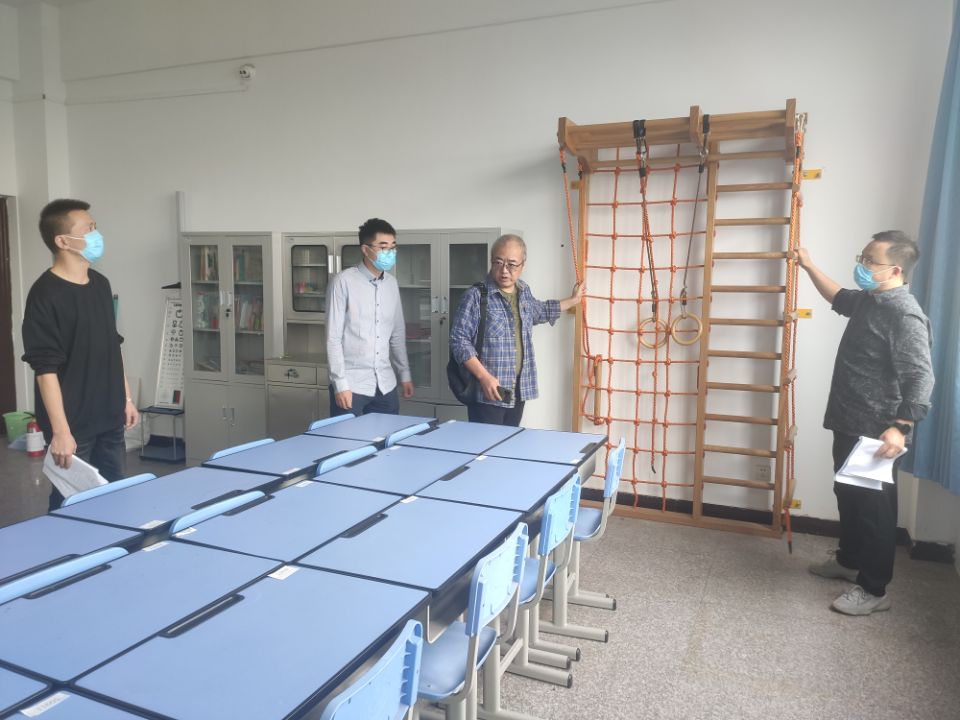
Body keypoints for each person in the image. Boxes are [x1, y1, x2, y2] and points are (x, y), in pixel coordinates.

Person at [799, 231, 933, 616]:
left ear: (895, 270)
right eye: (863, 256)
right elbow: (839, 297)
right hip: (848, 419)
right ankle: (849, 560)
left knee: (874, 511)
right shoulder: (870, 300)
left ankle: (874, 589)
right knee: (849, 496)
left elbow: (920, 376)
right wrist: (808, 265)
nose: (861, 264)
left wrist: (901, 427)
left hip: (877, 431)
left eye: (870, 260)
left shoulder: (903, 314)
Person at [21, 199, 139, 510]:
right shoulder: (44, 294)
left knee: (116, 495)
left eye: (95, 227)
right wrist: (60, 431)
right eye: (88, 229)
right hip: (73, 422)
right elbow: (45, 370)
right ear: (63, 241)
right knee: (71, 503)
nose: (96, 235)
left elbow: (113, 344)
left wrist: (126, 398)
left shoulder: (100, 284)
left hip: (109, 414)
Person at [449, 233, 583, 426]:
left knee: (510, 442)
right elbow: (459, 341)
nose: (504, 270)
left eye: (512, 264)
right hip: (488, 392)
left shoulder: (523, 291)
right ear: (491, 262)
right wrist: (484, 377)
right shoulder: (475, 296)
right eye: (498, 263)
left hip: (518, 390)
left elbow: (539, 311)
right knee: (487, 444)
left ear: (522, 265)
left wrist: (573, 300)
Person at [326, 218, 413, 417]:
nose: (390, 252)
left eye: (393, 247)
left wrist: (404, 374)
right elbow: (333, 338)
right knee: (348, 437)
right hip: (351, 386)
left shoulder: (391, 283)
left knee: (387, 437)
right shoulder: (343, 282)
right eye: (383, 247)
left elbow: (397, 334)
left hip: (385, 385)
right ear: (366, 250)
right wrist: (340, 384)